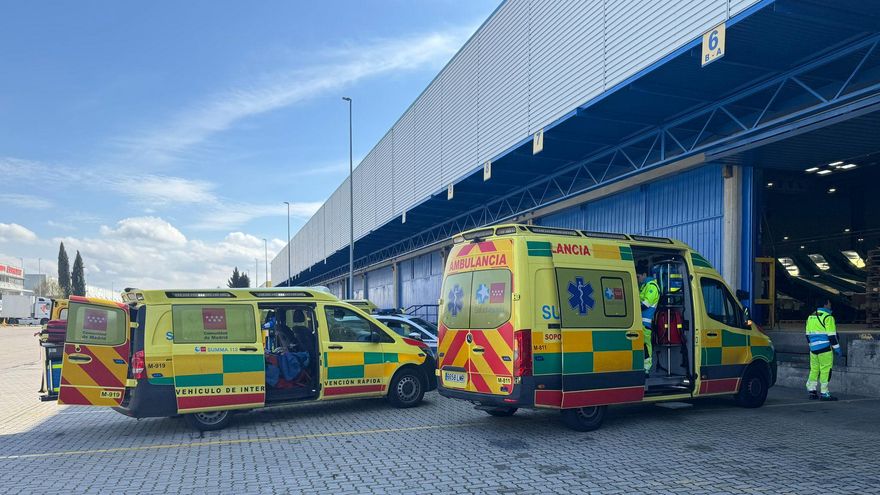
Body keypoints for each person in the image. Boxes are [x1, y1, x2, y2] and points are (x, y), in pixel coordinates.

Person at [805, 298, 841, 401]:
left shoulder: (810, 317)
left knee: (814, 369)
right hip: (825, 349)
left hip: (813, 349)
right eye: (829, 303)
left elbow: (807, 335)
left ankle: (812, 391)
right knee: (826, 370)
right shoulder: (828, 317)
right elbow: (832, 337)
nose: (830, 305)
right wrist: (837, 349)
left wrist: (812, 346)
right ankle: (824, 393)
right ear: (825, 305)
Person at [637, 260, 660, 376]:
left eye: (639, 276)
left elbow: (645, 304)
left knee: (646, 346)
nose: (638, 279)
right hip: (639, 322)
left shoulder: (652, 287)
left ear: (645, 275)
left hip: (645, 323)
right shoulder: (644, 286)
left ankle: (646, 368)